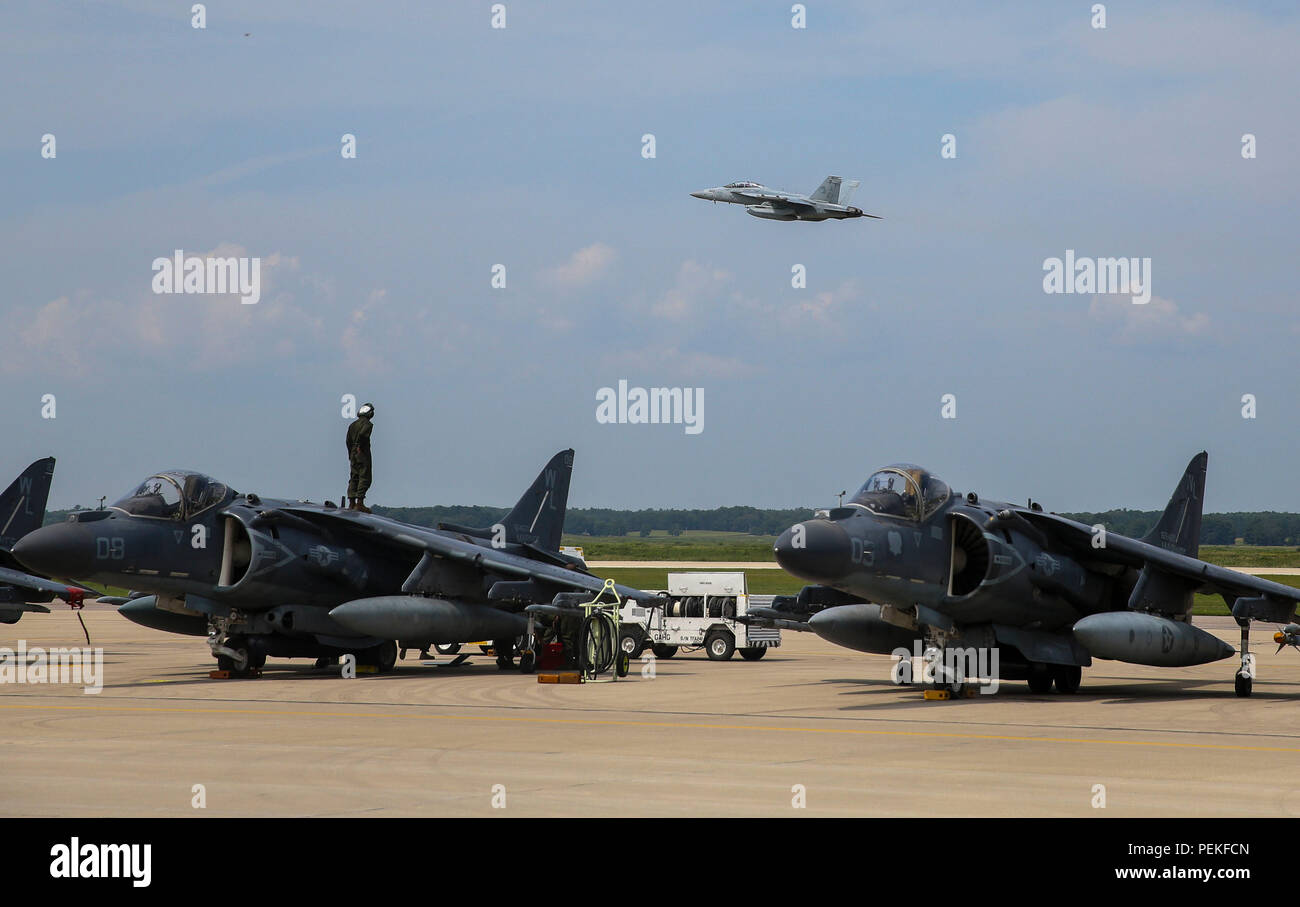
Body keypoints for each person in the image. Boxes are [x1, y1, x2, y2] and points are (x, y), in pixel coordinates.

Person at [346, 402, 375, 512]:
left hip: (353, 452)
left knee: (354, 476)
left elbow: (348, 441)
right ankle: (360, 503)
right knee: (364, 476)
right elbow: (363, 434)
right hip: (362, 452)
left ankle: (351, 503)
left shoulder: (352, 425)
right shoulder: (367, 424)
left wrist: (351, 452)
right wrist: (359, 446)